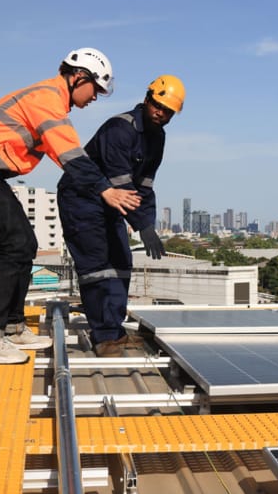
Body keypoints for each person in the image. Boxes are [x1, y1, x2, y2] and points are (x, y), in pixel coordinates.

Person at [0, 48, 141, 364]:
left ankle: (11, 325)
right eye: (95, 89)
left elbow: (65, 156)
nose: (96, 97)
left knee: (25, 244)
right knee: (15, 245)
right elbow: (71, 156)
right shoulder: (47, 99)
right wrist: (105, 189)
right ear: (79, 77)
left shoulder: (52, 102)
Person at [58, 75, 184, 357]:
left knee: (121, 262)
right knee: (96, 266)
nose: (161, 114)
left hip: (113, 203)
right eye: (158, 106)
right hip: (82, 199)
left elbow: (144, 186)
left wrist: (148, 225)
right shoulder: (120, 129)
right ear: (148, 98)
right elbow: (122, 184)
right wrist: (141, 224)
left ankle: (114, 331)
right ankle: (104, 337)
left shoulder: (157, 138)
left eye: (168, 112)